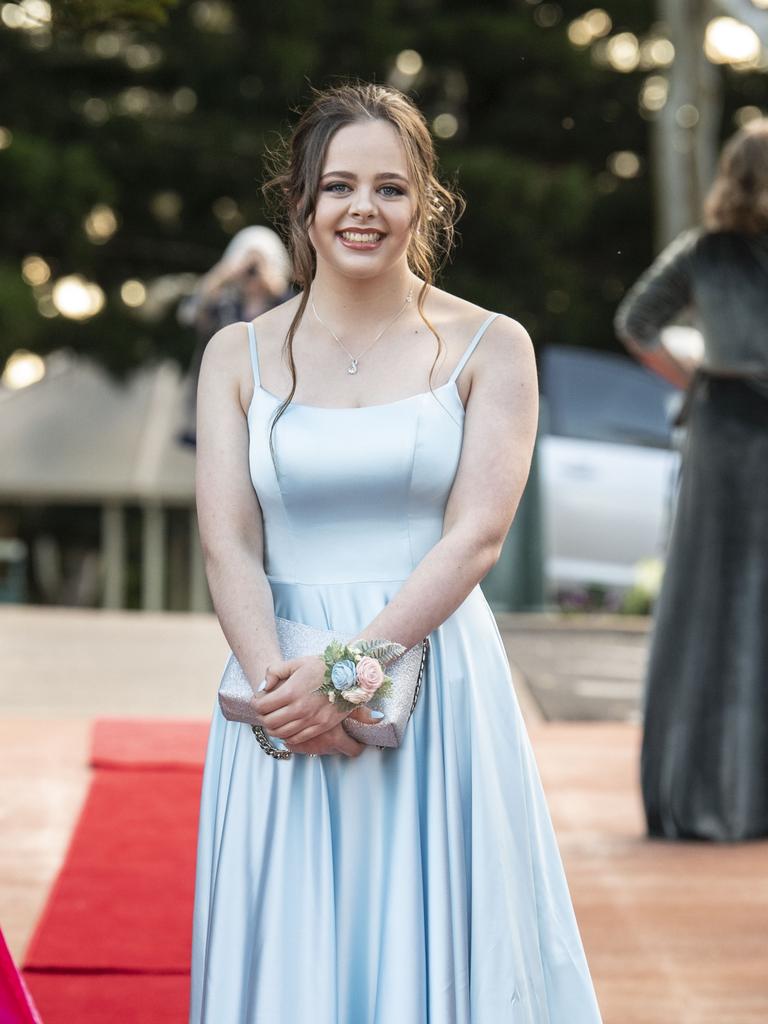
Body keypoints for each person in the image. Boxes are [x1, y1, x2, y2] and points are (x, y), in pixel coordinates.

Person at [190, 82, 603, 1022]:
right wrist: (281, 694)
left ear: (425, 201)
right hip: (277, 688)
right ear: (300, 201)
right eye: (338, 187)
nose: (362, 211)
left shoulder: (494, 347)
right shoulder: (236, 357)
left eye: (389, 187)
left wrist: (356, 671)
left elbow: (477, 536)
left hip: (434, 675)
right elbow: (228, 541)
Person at [615, 118, 768, 842]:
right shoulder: (706, 252)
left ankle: (710, 795)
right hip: (730, 434)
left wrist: (696, 375)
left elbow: (637, 323)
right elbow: (635, 320)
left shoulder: (706, 252)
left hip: (723, 424)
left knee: (712, 603)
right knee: (733, 602)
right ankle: (739, 797)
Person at [177, 226, 292, 446]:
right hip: (223, 403)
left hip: (274, 405)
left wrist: (276, 285)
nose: (253, 275)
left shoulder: (285, 306)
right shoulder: (224, 305)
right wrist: (222, 275)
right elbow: (189, 315)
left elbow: (302, 324)